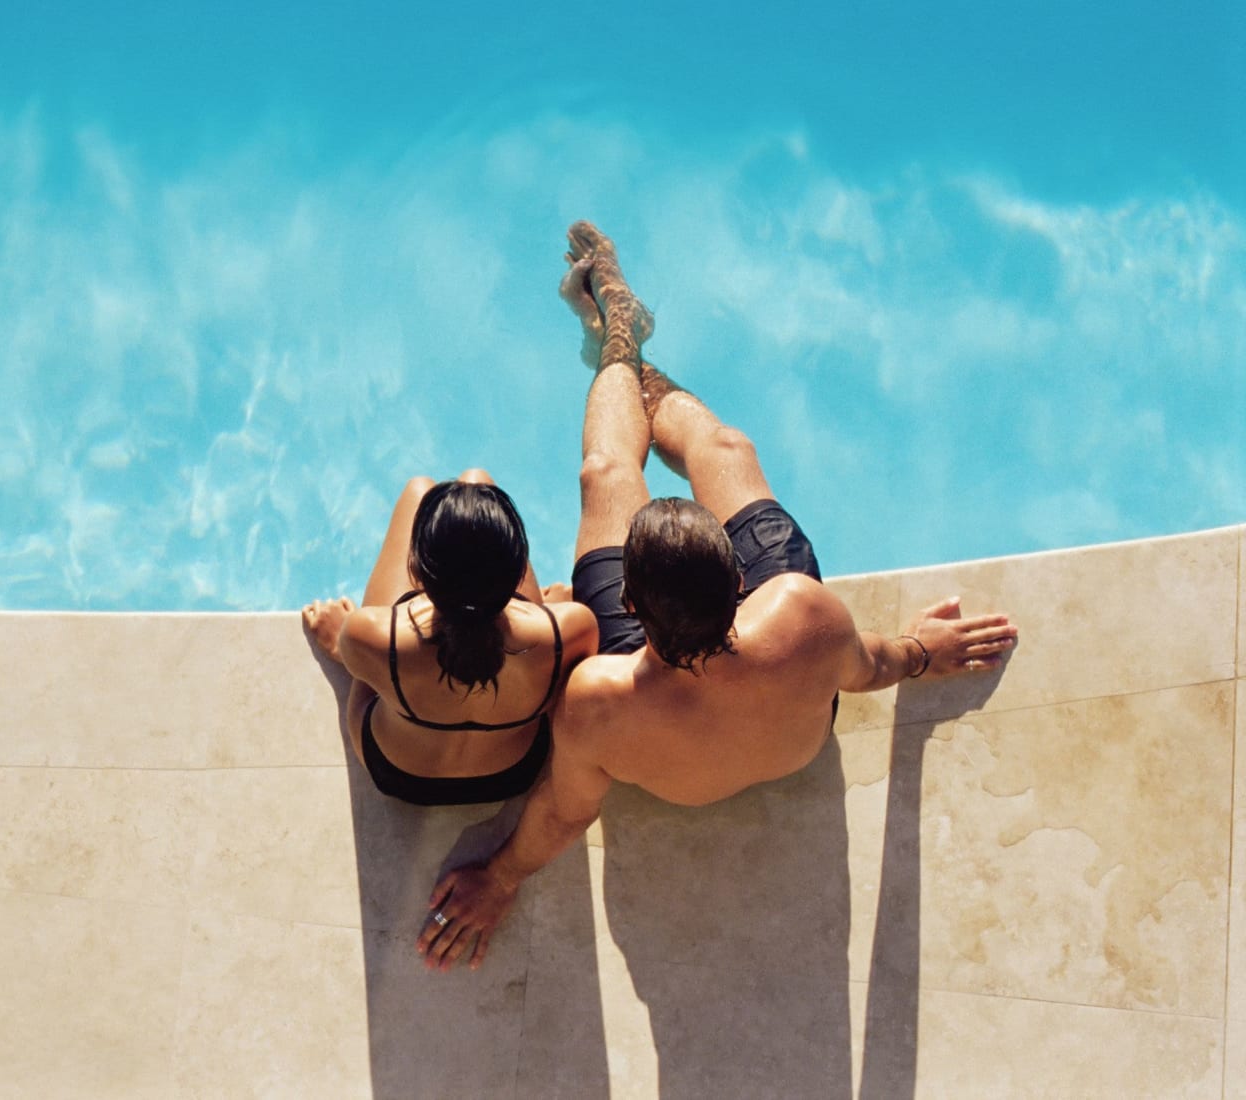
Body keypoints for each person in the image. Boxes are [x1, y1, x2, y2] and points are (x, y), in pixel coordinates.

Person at [415, 222, 1020, 970]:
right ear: (740, 579)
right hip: (776, 688)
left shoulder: (599, 701)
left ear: (628, 606)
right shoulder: (800, 612)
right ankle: (627, 341)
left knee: (607, 475)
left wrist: (502, 876)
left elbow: (567, 810)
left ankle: (619, 344)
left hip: (659, 675)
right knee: (725, 450)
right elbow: (870, 666)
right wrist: (927, 653)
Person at [304, 471, 598, 806]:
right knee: (478, 482)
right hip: (514, 772)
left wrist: (343, 644)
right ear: (519, 575)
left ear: (415, 572)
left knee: (419, 489)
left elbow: (373, 656)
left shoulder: (367, 632)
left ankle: (355, 653)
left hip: (401, 775)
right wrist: (548, 614)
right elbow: (566, 694)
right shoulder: (573, 629)